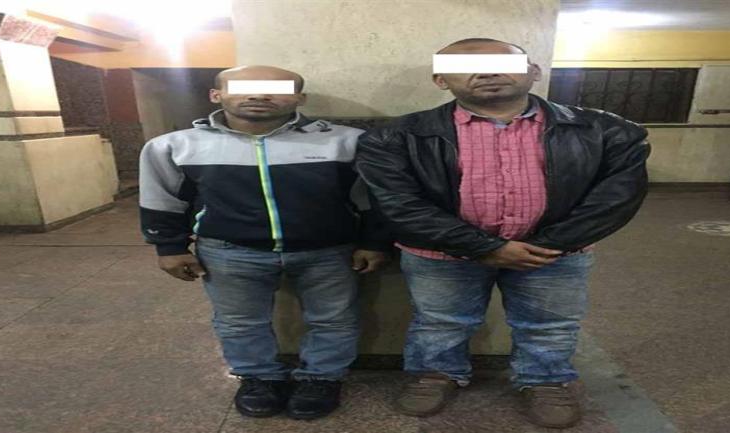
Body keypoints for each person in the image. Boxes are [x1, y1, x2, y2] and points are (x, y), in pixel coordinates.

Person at [355, 38, 650, 428]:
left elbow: (616, 198)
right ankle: (435, 375)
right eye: (466, 67)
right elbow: (397, 203)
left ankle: (545, 380)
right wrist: (484, 247)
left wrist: (546, 246)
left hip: (553, 255)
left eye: (502, 63)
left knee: (549, 324)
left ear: (533, 72)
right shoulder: (394, 137)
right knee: (440, 321)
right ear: (441, 80)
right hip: (442, 254)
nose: (488, 72)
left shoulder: (607, 131)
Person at [139, 65, 390, 420]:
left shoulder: (346, 142)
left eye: (276, 89)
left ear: (300, 98)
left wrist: (374, 241)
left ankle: (321, 378)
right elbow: (161, 200)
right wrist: (169, 247)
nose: (258, 95)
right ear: (216, 95)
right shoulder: (175, 146)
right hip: (229, 252)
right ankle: (259, 378)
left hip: (329, 251)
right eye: (243, 87)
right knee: (239, 322)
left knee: (334, 320)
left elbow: (374, 198)